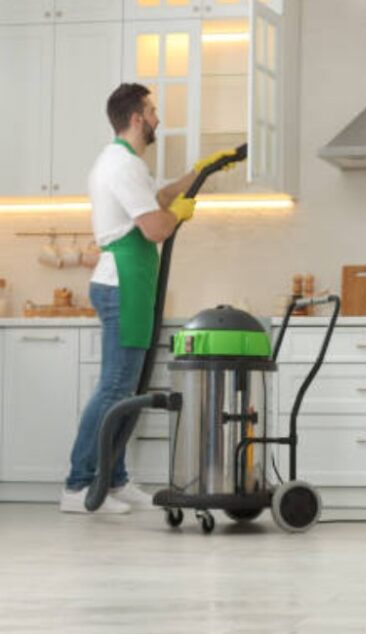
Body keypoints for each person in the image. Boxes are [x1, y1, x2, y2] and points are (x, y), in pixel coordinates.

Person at [61, 83, 236, 514]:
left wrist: (197, 173)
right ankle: (79, 485)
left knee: (127, 388)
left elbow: (157, 199)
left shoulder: (128, 163)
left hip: (130, 282)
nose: (157, 118)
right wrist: (178, 214)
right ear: (137, 118)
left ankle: (114, 480)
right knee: (115, 389)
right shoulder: (121, 165)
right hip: (122, 283)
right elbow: (156, 227)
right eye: (152, 111)